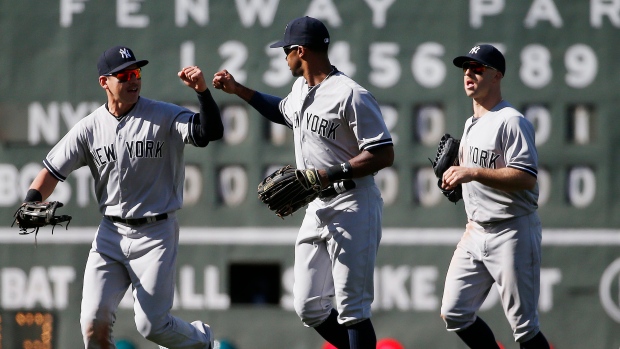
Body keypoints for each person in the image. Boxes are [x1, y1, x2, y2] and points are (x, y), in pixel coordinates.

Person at [21, 45, 223, 349]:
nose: (134, 80)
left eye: (137, 73)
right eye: (125, 75)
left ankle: (202, 341)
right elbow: (51, 172)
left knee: (153, 326)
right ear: (105, 82)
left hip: (156, 233)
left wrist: (203, 93)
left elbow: (210, 132)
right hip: (110, 235)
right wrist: (31, 200)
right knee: (93, 326)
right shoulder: (89, 128)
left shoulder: (164, 115)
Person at [212, 16, 394, 349]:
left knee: (353, 309)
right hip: (318, 205)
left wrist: (329, 173)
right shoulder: (300, 90)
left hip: (353, 203)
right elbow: (281, 111)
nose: (284, 57)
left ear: (300, 51)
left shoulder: (351, 94)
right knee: (309, 306)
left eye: (286, 51)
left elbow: (383, 154)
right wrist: (239, 90)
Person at [439, 44, 550, 349]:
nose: (469, 74)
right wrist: (458, 184)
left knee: (525, 328)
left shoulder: (511, 121)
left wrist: (471, 173)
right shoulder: (472, 123)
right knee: (455, 312)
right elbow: (479, 177)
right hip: (475, 230)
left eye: (478, 68)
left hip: (513, 231)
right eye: (466, 68)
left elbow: (526, 177)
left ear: (497, 75)